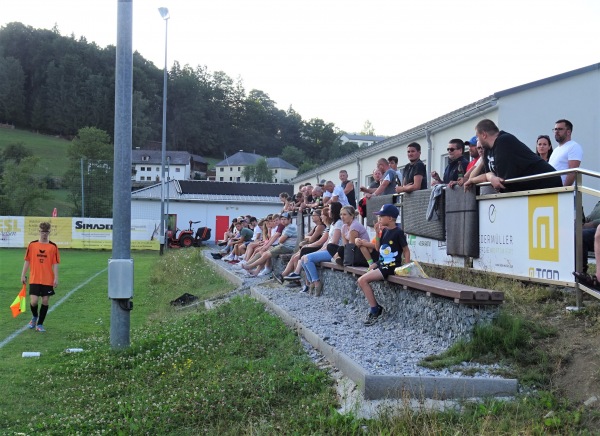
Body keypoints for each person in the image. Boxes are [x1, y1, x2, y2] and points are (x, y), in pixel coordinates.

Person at [464, 119, 563, 193]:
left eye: (478, 137)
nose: (478, 140)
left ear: (484, 135)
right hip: (528, 190)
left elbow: (502, 181)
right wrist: (474, 180)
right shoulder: (488, 150)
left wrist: (490, 177)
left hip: (545, 185)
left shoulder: (504, 141)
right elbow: (488, 174)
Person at [357, 205, 410, 326]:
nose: (379, 218)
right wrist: (377, 233)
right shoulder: (385, 230)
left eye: (381, 216)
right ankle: (374, 307)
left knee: (362, 280)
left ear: (390, 218)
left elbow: (406, 250)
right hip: (382, 263)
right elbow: (377, 248)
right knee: (363, 276)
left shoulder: (398, 232)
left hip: (390, 266)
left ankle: (375, 309)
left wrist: (406, 267)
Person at [285, 202, 343, 296]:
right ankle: (312, 282)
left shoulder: (339, 223)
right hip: (328, 249)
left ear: (334, 211)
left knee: (307, 258)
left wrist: (321, 250)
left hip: (334, 252)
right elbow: (327, 241)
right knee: (304, 257)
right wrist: (319, 251)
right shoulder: (333, 224)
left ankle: (316, 282)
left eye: (329, 209)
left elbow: (334, 243)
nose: (328, 211)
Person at [21, 222, 60, 332]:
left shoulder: (53, 247)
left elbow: (56, 263)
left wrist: (56, 278)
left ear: (49, 232)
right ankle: (34, 317)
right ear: (39, 231)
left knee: (45, 301)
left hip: (47, 279)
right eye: (42, 232)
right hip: (34, 278)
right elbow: (27, 260)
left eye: (46, 232)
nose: (44, 234)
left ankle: (40, 324)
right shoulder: (32, 245)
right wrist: (23, 275)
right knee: (33, 301)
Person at [242, 212, 297, 277]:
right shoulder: (286, 227)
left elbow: (280, 240)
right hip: (283, 246)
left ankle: (251, 266)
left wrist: (267, 245)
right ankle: (254, 269)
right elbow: (274, 238)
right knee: (263, 251)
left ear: (289, 220)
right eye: (282, 219)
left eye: (284, 219)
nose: (282, 221)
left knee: (265, 253)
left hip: (288, 247)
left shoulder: (290, 227)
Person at [549, 119, 583, 186]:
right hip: (553, 190)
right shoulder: (556, 150)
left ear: (568, 132)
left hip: (564, 193)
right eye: (555, 129)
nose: (556, 132)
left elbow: (572, 171)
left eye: (560, 129)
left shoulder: (574, 146)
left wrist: (564, 190)